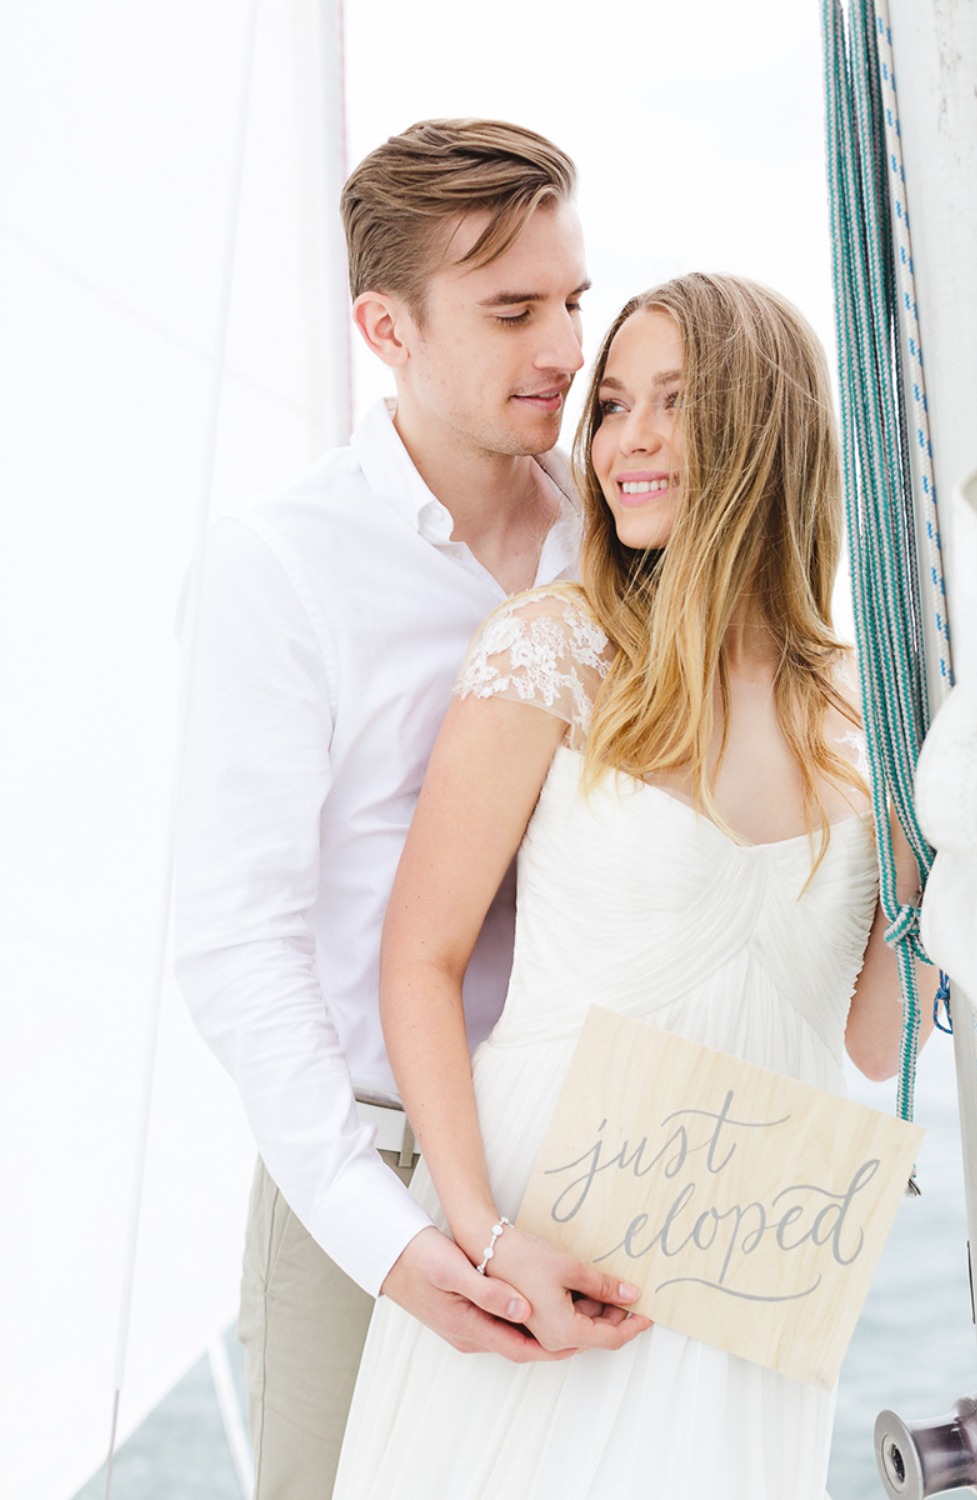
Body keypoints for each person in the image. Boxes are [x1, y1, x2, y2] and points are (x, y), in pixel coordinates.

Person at [330, 273, 938, 1499]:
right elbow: (423, 958)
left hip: (746, 1281)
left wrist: (939, 838)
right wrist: (482, 1234)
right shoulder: (554, 646)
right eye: (611, 405)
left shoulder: (863, 713)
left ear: (767, 427)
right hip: (541, 1230)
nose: (628, 440)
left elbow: (871, 1044)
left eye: (674, 401)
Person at [173, 118, 647, 1500]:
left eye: (572, 300)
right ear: (384, 326)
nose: (566, 348)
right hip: (372, 1180)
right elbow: (234, 942)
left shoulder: (623, 537)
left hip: (608, 1159)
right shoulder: (281, 570)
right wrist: (382, 1237)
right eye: (513, 311)